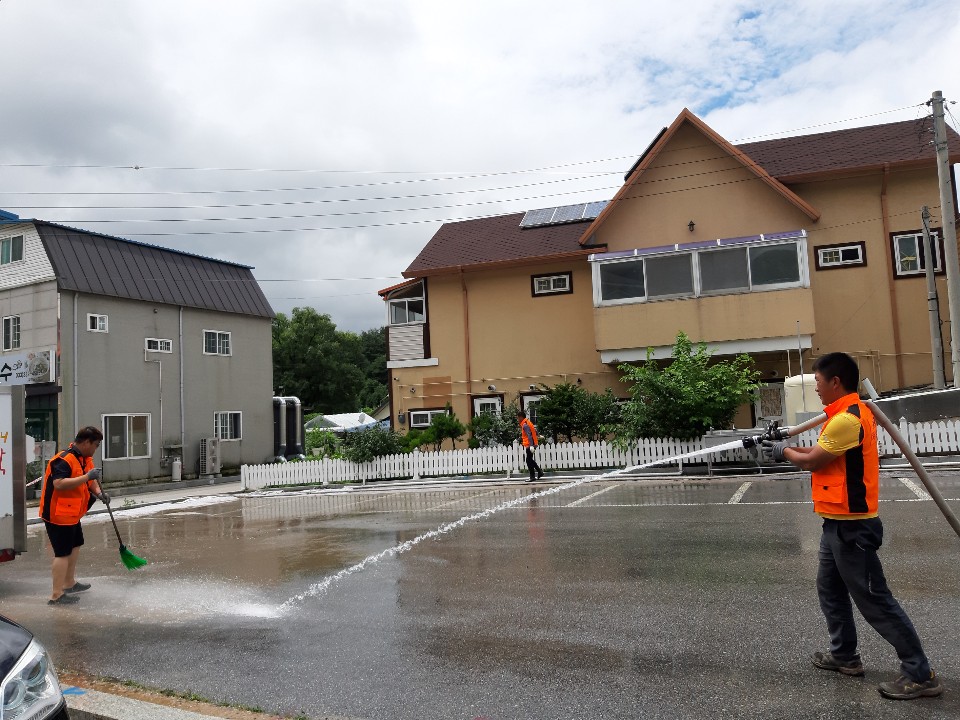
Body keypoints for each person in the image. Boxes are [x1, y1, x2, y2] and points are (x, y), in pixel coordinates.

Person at [761, 352, 942, 700]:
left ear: (835, 381)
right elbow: (819, 453)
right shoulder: (841, 416)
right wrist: (785, 447)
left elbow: (814, 461)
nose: (816, 388)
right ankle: (844, 655)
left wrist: (783, 452)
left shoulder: (848, 419)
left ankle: (920, 674)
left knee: (875, 601)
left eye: (818, 382)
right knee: (830, 590)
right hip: (835, 525)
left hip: (854, 530)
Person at [38, 426, 106, 606]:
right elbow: (59, 484)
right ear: (86, 442)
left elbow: (90, 482)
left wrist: (99, 493)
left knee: (75, 545)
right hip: (57, 514)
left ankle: (68, 583)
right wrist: (87, 477)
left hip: (72, 513)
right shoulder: (63, 460)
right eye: (96, 445)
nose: (96, 448)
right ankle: (56, 595)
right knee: (62, 553)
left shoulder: (84, 459)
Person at [517, 410, 543, 483]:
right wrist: (538, 435)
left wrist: (531, 445)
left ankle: (532, 476)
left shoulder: (525, 425)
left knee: (528, 461)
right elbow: (534, 429)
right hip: (532, 443)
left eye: (518, 418)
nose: (517, 419)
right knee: (530, 459)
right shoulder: (528, 422)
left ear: (521, 417)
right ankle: (539, 472)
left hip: (530, 444)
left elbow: (529, 435)